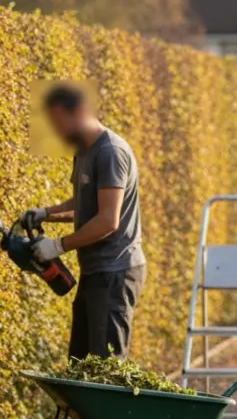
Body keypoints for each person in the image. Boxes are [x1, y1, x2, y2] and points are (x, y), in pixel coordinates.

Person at [21, 83, 146, 362]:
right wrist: (45, 213)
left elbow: (107, 220)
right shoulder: (84, 152)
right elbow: (84, 203)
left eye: (59, 122)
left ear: (79, 111)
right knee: (80, 362)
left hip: (116, 271)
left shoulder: (110, 152)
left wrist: (57, 246)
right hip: (95, 271)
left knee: (106, 365)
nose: (57, 131)